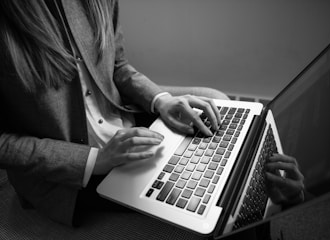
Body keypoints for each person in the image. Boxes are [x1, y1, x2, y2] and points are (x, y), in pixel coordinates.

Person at [0, 0, 303, 234]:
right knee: (215, 210)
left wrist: (161, 101)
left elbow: (117, 67)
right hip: (67, 174)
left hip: (127, 125)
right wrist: (94, 160)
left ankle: (276, 199)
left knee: (227, 147)